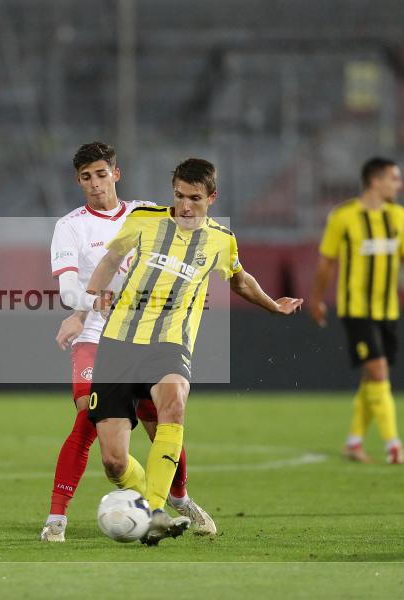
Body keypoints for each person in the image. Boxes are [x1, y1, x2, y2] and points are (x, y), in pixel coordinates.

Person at [83, 158, 302, 545]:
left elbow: (240, 280)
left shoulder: (221, 240)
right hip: (119, 343)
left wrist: (273, 305)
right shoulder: (145, 220)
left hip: (170, 344)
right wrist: (96, 291)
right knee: (114, 463)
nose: (185, 206)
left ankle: (153, 511)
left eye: (195, 199)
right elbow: (112, 257)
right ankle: (159, 502)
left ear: (212, 198)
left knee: (174, 401)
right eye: (180, 196)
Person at [41, 143, 216, 542]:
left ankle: (180, 499)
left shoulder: (147, 214)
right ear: (78, 181)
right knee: (88, 420)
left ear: (116, 174)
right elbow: (68, 287)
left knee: (162, 423)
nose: (95, 183)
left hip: (147, 339)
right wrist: (88, 306)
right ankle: (56, 518)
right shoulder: (71, 226)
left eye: (102, 174)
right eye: (86, 177)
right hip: (96, 339)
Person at [309, 157, 404, 465]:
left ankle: (353, 443)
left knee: (373, 377)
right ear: (375, 181)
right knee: (379, 371)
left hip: (388, 309)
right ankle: (393, 444)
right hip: (356, 309)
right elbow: (326, 262)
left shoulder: (400, 216)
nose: (399, 185)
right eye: (394, 178)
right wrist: (316, 299)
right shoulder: (343, 216)